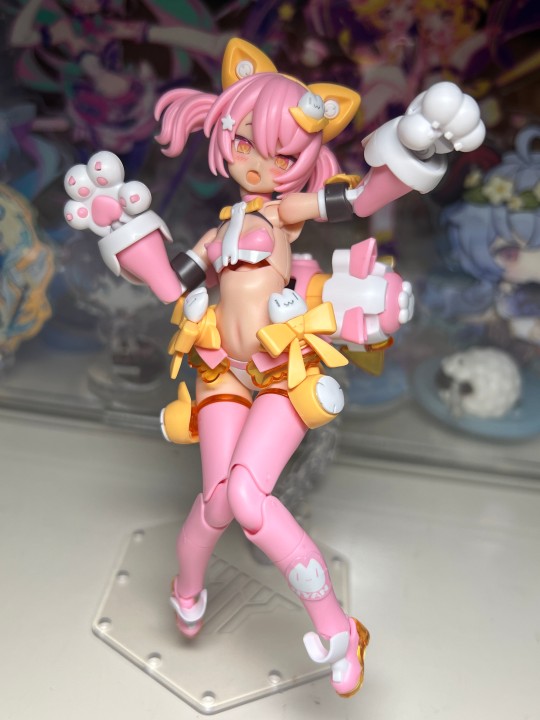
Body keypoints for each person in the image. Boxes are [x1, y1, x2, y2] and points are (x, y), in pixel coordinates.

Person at [63, 38, 485, 697]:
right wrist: (124, 231)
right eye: (245, 143)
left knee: (248, 498)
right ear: (225, 135)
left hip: (280, 369)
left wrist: (415, 151)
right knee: (214, 503)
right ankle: (186, 589)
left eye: (283, 155)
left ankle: (338, 629)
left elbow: (359, 201)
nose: (259, 163)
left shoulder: (285, 213)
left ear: (304, 157)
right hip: (220, 372)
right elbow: (172, 285)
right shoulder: (218, 233)